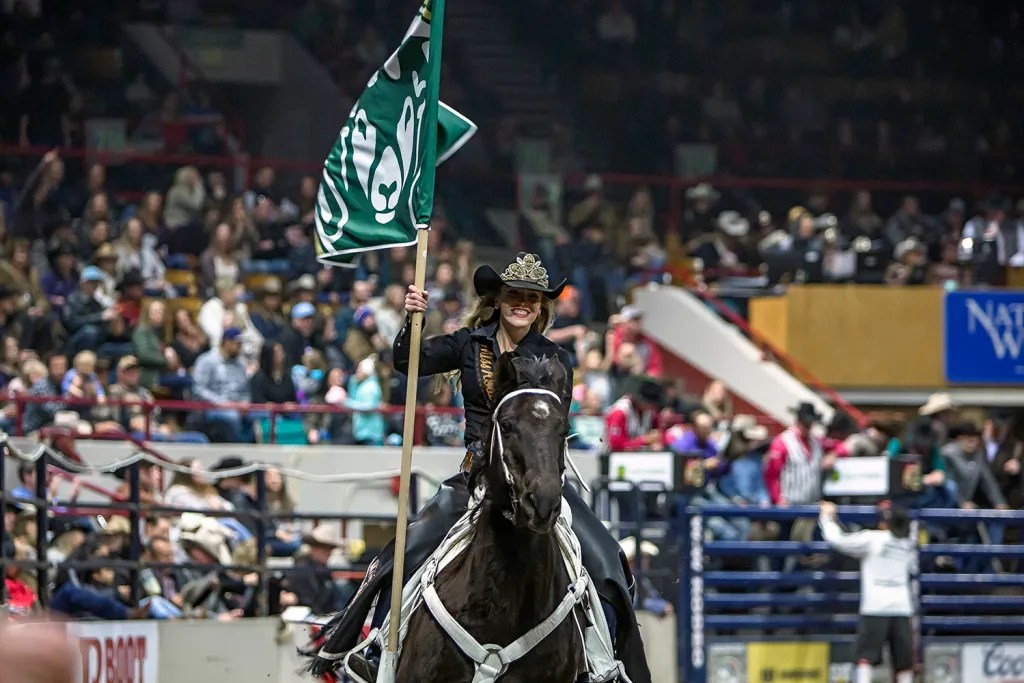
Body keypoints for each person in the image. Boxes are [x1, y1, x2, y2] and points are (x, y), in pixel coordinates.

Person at [308, 253, 652, 682]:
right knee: (404, 550)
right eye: (514, 295)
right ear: (499, 298)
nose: (521, 303)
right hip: (477, 476)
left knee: (609, 562)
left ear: (541, 306)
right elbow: (406, 361)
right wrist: (412, 321)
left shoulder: (555, 359)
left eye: (531, 297)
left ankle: (615, 667)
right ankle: (373, 647)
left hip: (539, 477)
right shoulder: (470, 343)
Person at [819, 501, 914, 683]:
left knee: (865, 658)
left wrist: (826, 518)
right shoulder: (908, 544)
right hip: (902, 607)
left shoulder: (873, 539)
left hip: (875, 606)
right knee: (904, 662)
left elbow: (838, 540)